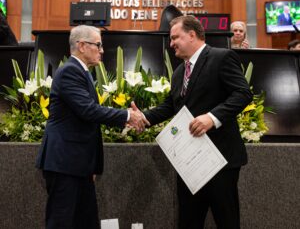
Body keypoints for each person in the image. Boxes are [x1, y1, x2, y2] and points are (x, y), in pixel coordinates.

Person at [135, 15, 252, 229]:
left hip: (220, 160)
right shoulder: (180, 71)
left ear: (192, 35)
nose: (171, 44)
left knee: (227, 222)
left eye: (175, 38)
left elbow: (243, 94)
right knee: (188, 221)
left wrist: (212, 118)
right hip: (189, 163)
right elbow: (171, 105)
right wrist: (144, 117)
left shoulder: (222, 57)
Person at [35, 25, 149, 229]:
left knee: (85, 222)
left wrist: (90, 165)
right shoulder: (70, 71)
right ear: (81, 46)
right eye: (98, 45)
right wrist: (127, 115)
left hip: (77, 165)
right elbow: (88, 110)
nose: (102, 50)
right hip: (65, 164)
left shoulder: (81, 72)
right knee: (62, 222)